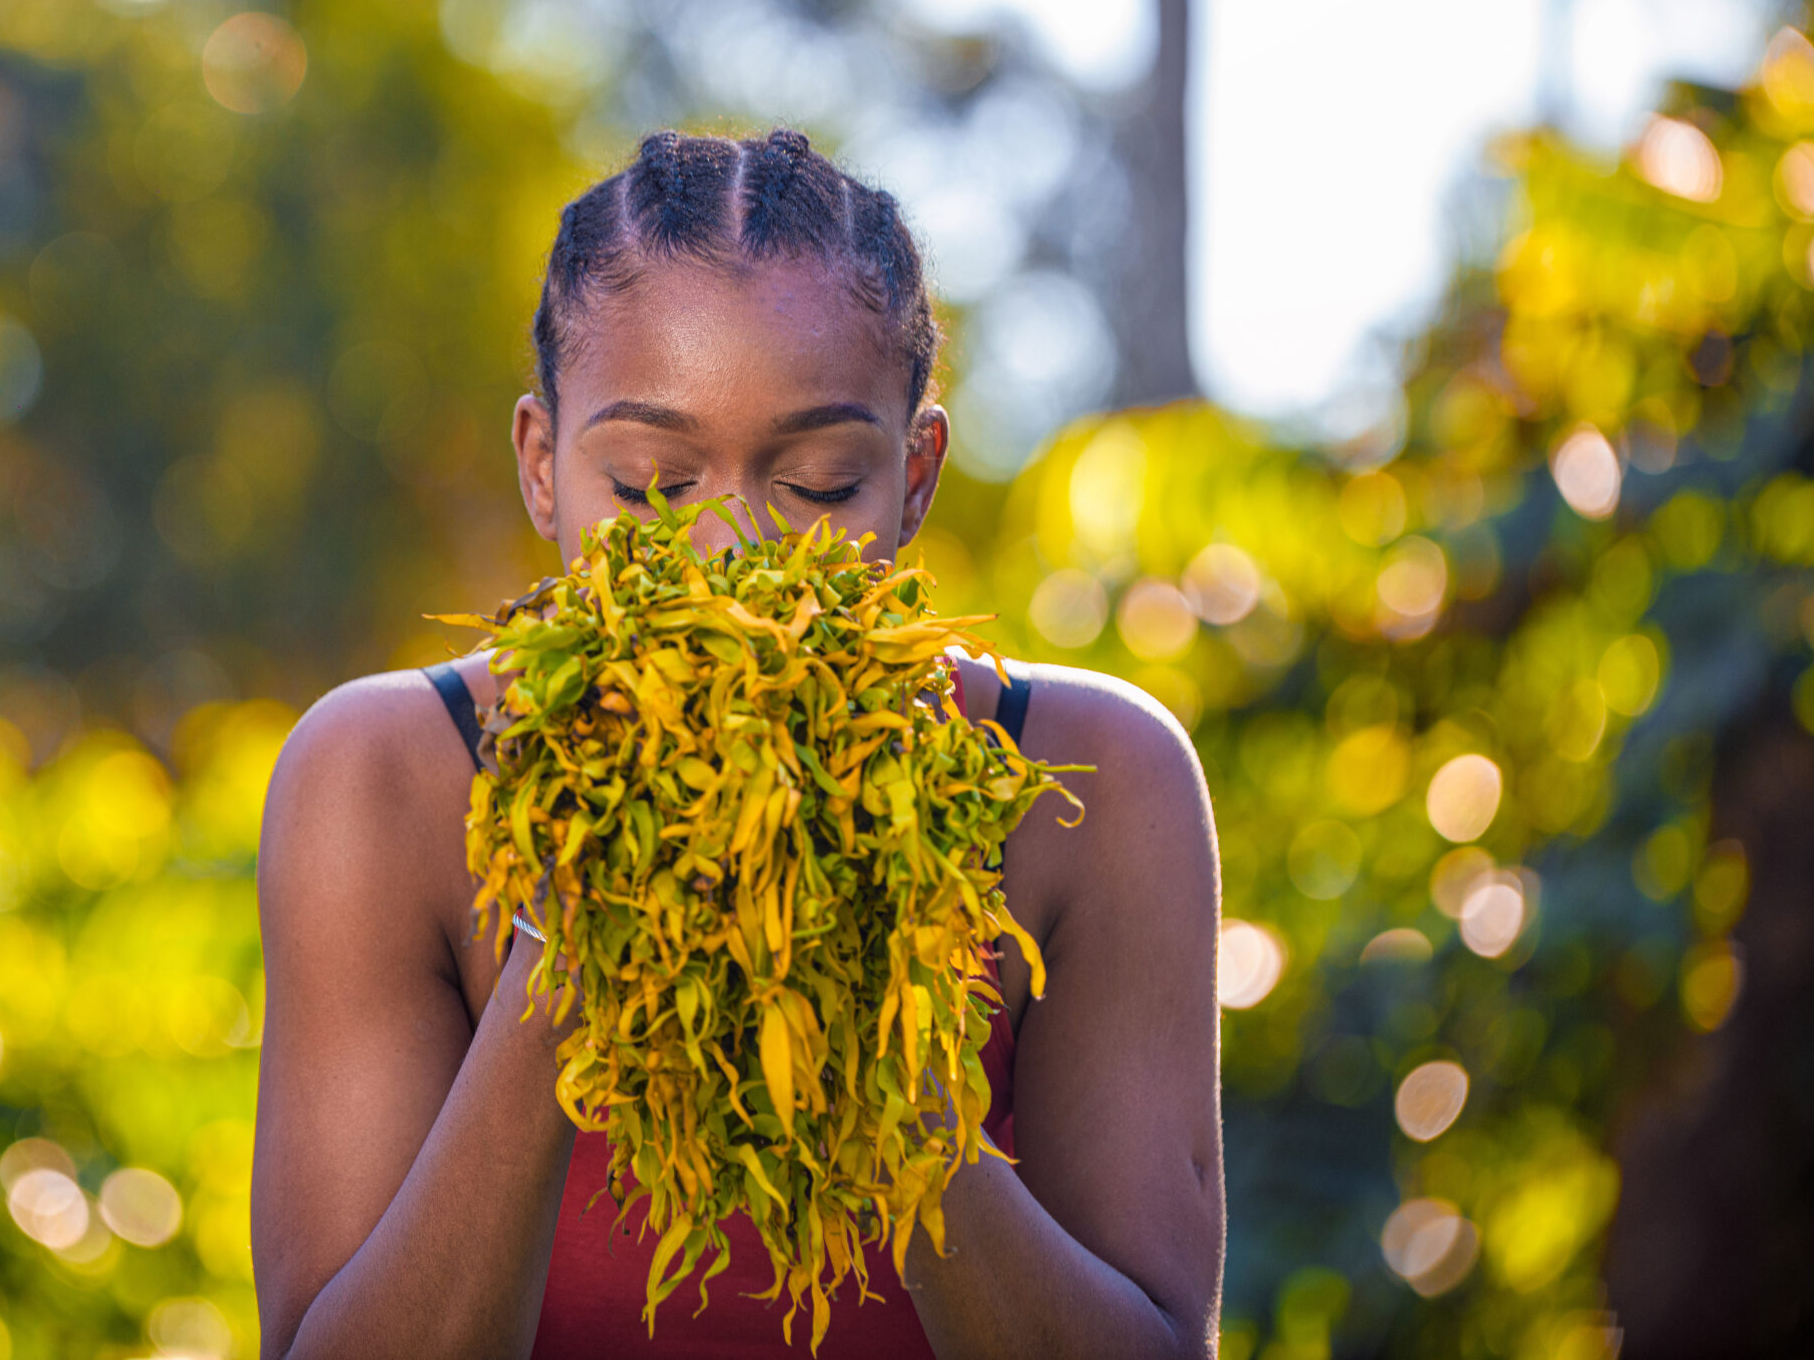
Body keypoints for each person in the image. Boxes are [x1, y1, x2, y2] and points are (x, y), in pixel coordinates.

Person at [252, 130, 1223, 1359]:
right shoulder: (384, 777)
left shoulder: (1088, 781)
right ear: (544, 468)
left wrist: (875, 1019)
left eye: (819, 484)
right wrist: (572, 942)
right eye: (652, 482)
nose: (730, 562)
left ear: (914, 476)